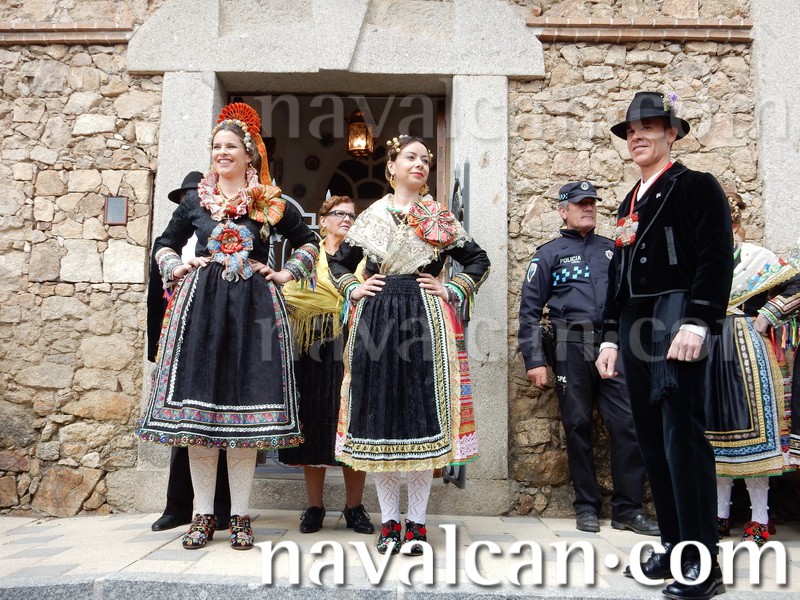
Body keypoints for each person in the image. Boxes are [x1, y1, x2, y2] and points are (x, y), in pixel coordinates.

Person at [136, 103, 318, 550]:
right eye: (216, 146)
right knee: (201, 415)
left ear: (249, 154)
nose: (222, 153)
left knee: (244, 414)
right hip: (202, 309)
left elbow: (309, 240)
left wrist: (285, 273)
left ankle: (239, 515)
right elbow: (164, 243)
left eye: (231, 146)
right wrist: (179, 265)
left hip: (254, 308)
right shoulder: (196, 202)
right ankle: (201, 515)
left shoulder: (269, 202)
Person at [595, 91, 733, 600]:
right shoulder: (629, 200)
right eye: (630, 130)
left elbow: (716, 257)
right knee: (652, 440)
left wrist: (698, 322)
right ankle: (675, 548)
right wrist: (610, 336)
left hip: (677, 318)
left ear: (671, 133)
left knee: (682, 440)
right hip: (636, 325)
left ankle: (702, 562)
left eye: (648, 127)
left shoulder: (696, 185)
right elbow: (618, 276)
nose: (637, 136)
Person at [329, 135, 490, 555]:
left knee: (421, 417)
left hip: (425, 320)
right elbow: (338, 262)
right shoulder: (371, 217)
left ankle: (416, 524)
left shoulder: (439, 217)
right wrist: (354, 288)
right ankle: (389, 522)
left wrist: (451, 287)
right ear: (392, 166)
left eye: (425, 160)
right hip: (377, 320)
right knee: (380, 419)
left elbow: (478, 260)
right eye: (410, 157)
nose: (419, 164)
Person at [518, 180, 658, 536]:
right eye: (580, 204)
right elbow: (529, 312)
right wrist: (534, 360)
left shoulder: (613, 250)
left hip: (614, 345)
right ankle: (586, 506)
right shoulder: (548, 254)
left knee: (628, 424)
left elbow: (631, 301)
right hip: (569, 345)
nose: (588, 208)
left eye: (592, 203)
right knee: (577, 426)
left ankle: (628, 509)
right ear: (562, 211)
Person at [278, 195, 374, 535]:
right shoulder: (307, 255)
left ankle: (354, 508)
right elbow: (288, 294)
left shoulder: (364, 256)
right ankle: (315, 507)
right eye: (339, 214)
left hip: (355, 341)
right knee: (314, 425)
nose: (347, 219)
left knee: (352, 425)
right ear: (322, 219)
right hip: (311, 345)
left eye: (352, 215)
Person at [707, 191, 799, 546]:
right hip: (709, 348)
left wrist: (768, 314)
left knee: (755, 432)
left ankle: (760, 518)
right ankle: (720, 515)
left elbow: (796, 283)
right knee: (714, 432)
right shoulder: (701, 259)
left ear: (734, 224)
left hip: (748, 350)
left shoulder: (757, 259)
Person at [146, 171, 232, 533]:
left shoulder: (216, 243)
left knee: (220, 421)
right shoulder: (169, 251)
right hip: (175, 340)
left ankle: (223, 508)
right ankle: (177, 506)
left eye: (193, 196)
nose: (189, 202)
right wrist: (156, 348)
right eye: (184, 198)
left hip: (211, 331)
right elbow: (155, 301)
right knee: (183, 425)